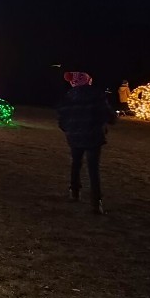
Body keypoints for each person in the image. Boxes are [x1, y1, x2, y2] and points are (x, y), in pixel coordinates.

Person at [57, 71, 116, 215]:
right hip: (93, 136)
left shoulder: (68, 97)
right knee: (93, 169)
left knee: (76, 163)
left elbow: (62, 118)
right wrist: (111, 119)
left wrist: (69, 129)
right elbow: (107, 115)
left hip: (75, 136)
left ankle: (74, 191)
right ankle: (96, 202)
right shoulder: (96, 95)